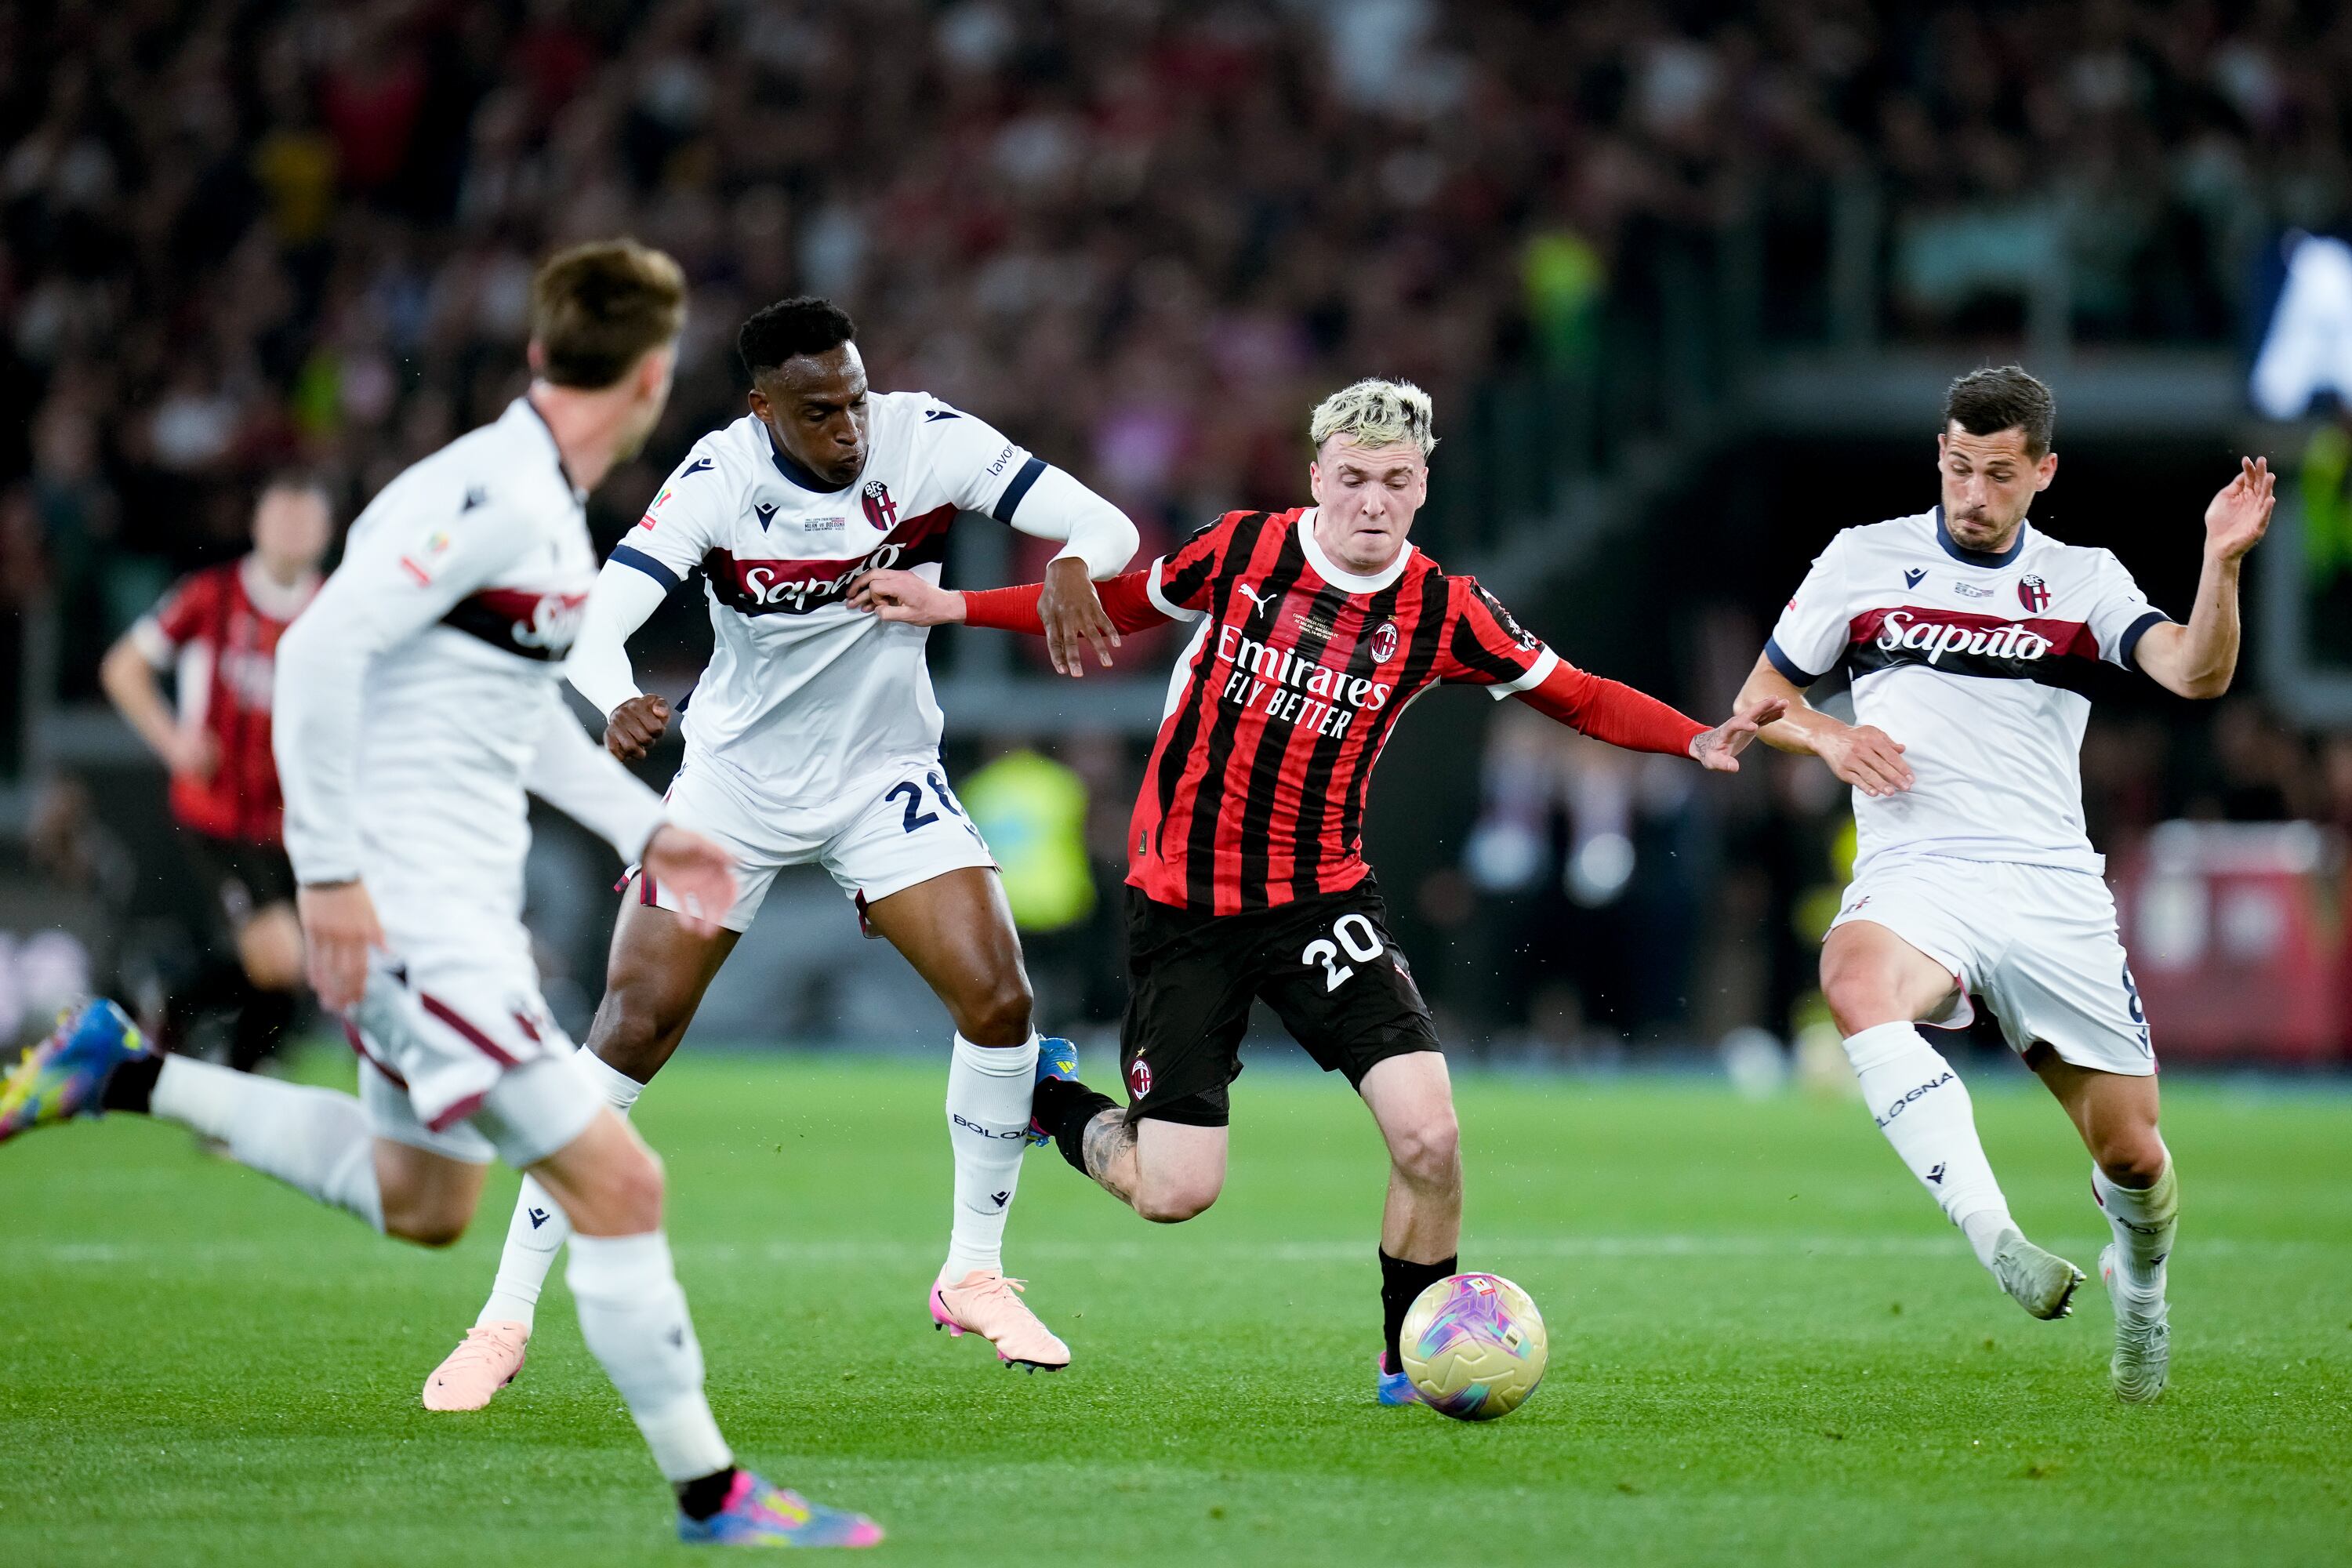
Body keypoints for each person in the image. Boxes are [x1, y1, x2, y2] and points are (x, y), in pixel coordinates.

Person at [1, 241, 881, 1547]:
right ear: (653, 379)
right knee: (621, 1185)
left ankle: (119, 1072)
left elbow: (514, 724)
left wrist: (649, 828)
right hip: (416, 913)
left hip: (444, 904)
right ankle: (715, 1495)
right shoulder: (498, 501)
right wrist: (329, 879)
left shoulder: (527, 504)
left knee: (425, 1203)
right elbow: (316, 654)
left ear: (539, 354)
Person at [851, 378, 1782, 1403]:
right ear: (1317, 478)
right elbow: (1114, 603)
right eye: (1353, 477)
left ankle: (1409, 1354)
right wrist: (953, 605)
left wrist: (1692, 736)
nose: (1372, 500)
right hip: (1186, 908)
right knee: (1174, 1193)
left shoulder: (1446, 609)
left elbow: (1577, 695)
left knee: (1430, 1134)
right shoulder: (1243, 551)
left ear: (1422, 486)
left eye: (1395, 480)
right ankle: (1049, 1097)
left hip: (1320, 901)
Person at [419, 296, 1138, 1410]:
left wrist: (1073, 564)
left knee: (1001, 1001)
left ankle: (973, 1272)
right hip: (734, 789)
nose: (849, 428)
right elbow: (594, 623)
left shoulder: (925, 436)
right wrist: (615, 699)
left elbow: (1107, 524)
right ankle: (501, 1319)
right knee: (630, 1031)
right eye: (819, 412)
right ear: (764, 411)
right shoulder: (718, 478)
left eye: (855, 399)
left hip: (882, 776)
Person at [1733, 365, 2275, 1403]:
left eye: (1997, 474)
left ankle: (2142, 1294)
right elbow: (1761, 697)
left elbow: (2196, 672)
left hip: (2047, 886)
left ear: (2043, 472)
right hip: (1917, 871)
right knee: (1853, 976)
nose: (1973, 495)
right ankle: (1998, 1239)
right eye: (1957, 469)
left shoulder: (2083, 579)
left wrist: (2219, 563)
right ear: (1938, 457)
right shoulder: (1863, 559)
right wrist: (1829, 736)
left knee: (2134, 1156)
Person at [100, 476, 331, 1072]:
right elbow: (123, 668)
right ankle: (225, 1062)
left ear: (326, 532)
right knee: (284, 957)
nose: (292, 532)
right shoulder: (210, 595)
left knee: (303, 967)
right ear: (257, 525)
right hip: (218, 815)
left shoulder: (338, 609)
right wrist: (172, 740)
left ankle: (176, 1007)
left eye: (304, 520)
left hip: (298, 822)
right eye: (282, 517)